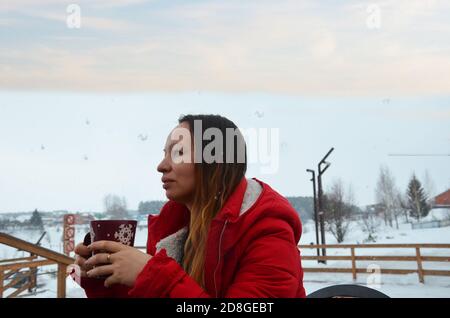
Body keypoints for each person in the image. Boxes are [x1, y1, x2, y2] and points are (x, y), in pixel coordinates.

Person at [74, 114, 306, 298]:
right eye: (165, 154)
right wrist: (105, 281)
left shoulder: (268, 231)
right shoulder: (174, 229)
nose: (161, 166)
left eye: (178, 152)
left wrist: (153, 275)